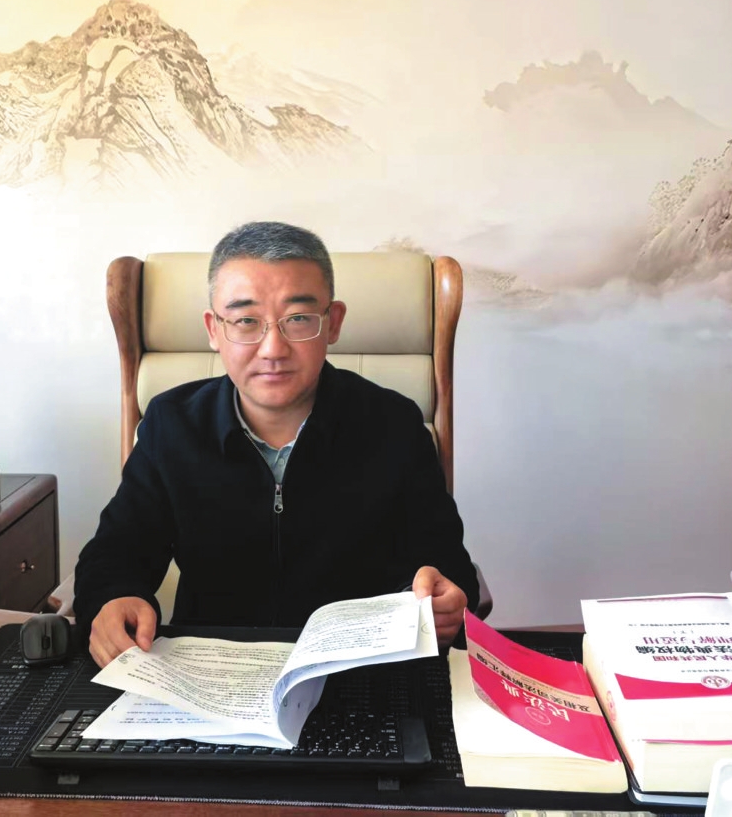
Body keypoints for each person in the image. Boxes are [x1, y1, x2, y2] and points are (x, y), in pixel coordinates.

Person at [74, 221, 480, 667]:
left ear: (333, 323)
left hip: (360, 670)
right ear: (213, 330)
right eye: (245, 321)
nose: (272, 348)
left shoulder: (394, 425)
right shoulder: (171, 426)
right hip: (214, 670)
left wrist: (445, 597)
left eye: (299, 319)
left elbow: (448, 566)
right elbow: (116, 554)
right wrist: (113, 598)